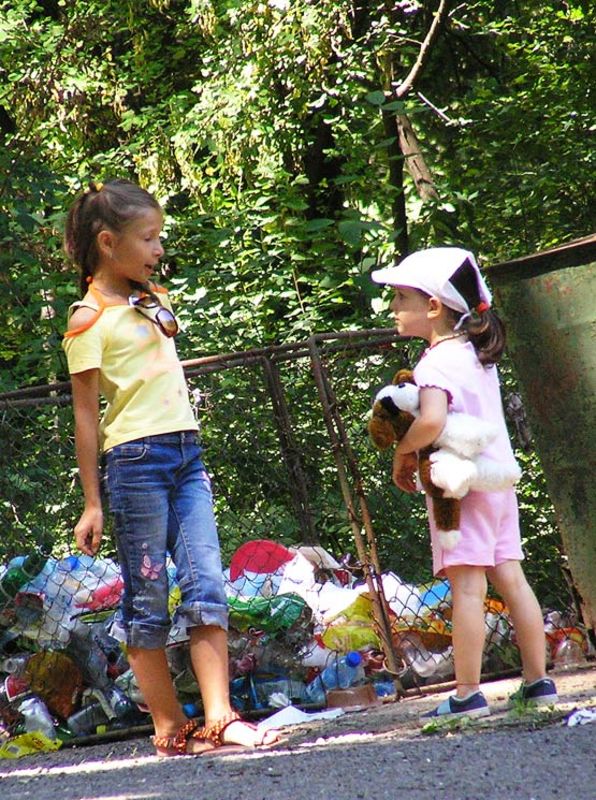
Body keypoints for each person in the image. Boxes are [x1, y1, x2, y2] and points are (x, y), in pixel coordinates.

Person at [62, 179, 279, 755]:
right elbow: (86, 417)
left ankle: (220, 718)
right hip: (135, 463)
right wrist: (92, 502)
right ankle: (168, 729)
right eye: (149, 238)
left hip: (187, 454)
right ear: (108, 243)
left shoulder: (152, 298)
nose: (159, 249)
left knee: (207, 583)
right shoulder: (87, 320)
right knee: (149, 595)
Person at [371, 247, 557, 718]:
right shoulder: (476, 355)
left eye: (401, 298)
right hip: (498, 481)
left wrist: (403, 450)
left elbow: (432, 421)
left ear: (434, 306)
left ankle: (467, 695)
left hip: (461, 488)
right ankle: (538, 683)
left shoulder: (434, 364)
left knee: (469, 590)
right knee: (512, 579)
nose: (393, 307)